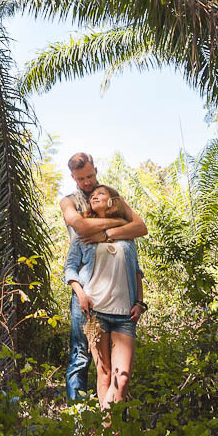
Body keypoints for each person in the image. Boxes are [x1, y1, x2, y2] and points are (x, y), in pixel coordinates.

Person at [59, 153, 147, 402]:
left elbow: (140, 227)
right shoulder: (69, 201)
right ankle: (77, 415)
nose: (87, 183)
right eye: (81, 179)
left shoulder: (111, 195)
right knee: (80, 355)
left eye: (90, 176)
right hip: (85, 285)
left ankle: (111, 417)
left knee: (117, 372)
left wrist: (106, 234)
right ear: (73, 177)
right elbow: (82, 227)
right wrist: (118, 221)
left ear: (96, 170)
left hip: (118, 295)